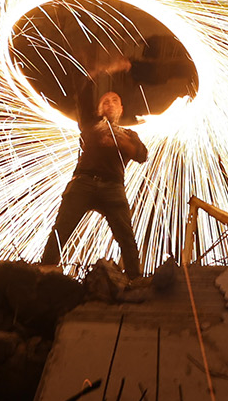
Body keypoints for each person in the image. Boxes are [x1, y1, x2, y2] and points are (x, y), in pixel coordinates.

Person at [40, 54, 148, 278]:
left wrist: (123, 142)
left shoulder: (130, 134)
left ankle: (136, 280)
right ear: (99, 110)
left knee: (126, 237)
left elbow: (142, 155)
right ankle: (43, 273)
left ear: (121, 109)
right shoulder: (90, 124)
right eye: (105, 101)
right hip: (83, 182)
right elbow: (83, 95)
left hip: (113, 187)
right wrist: (96, 73)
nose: (109, 103)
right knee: (61, 230)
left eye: (114, 101)